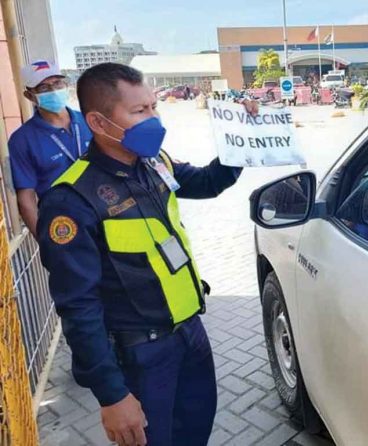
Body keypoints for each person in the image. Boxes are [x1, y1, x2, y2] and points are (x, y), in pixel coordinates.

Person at [36, 63, 259, 446]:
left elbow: (207, 182)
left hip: (190, 336)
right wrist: (112, 396)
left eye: (154, 107)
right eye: (140, 112)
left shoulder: (155, 164)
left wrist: (240, 137)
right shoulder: (72, 200)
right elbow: (78, 306)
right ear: (100, 122)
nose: (154, 118)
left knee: (194, 434)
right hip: (140, 357)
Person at [9, 60, 92, 237]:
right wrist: (46, 243)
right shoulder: (22, 140)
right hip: (65, 227)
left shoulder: (90, 121)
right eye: (44, 88)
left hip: (106, 214)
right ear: (30, 96)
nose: (54, 91)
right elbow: (26, 198)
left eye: (57, 83)